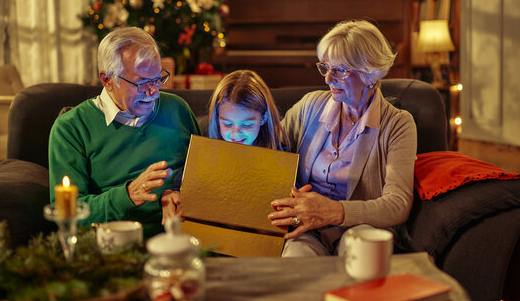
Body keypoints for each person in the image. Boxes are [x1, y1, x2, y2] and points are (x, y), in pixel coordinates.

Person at [268, 19, 417, 256]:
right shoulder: (310, 106)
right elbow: (271, 152)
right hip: (307, 228)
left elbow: (397, 205)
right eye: (325, 67)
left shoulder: (398, 124)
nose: (328, 78)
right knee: (295, 266)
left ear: (370, 73)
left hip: (361, 230)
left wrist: (335, 211)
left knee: (357, 260)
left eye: (340, 70)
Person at [49, 27, 201, 237]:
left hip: (184, 238)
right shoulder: (71, 129)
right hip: (116, 245)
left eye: (158, 79)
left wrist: (178, 193)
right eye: (141, 83)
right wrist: (127, 195)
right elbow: (67, 214)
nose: (154, 92)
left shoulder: (178, 110)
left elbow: (203, 177)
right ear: (107, 80)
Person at [160, 70, 292, 223]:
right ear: (217, 119)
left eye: (247, 125)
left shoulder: (281, 157)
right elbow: (179, 186)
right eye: (227, 124)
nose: (235, 133)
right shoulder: (205, 153)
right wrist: (171, 194)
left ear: (263, 118)